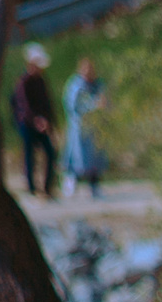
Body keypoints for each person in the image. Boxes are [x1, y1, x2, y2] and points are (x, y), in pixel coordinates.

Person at [10, 45, 56, 199]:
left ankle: (47, 187)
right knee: (30, 155)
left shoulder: (41, 81)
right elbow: (24, 106)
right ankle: (31, 188)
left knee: (50, 152)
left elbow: (47, 103)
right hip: (27, 125)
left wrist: (50, 122)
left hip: (42, 125)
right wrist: (36, 120)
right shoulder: (23, 82)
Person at [60, 57, 107, 199]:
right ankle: (70, 183)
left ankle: (94, 186)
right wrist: (93, 105)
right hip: (79, 128)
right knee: (76, 156)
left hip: (95, 128)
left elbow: (105, 101)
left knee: (95, 158)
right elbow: (73, 106)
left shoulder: (98, 84)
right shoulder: (75, 85)